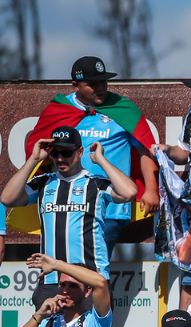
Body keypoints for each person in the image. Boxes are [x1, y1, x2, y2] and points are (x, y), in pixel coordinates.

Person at [25, 55, 158, 243]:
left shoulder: (123, 109)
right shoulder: (59, 110)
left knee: (91, 265)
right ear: (75, 84)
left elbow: (146, 150)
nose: (101, 88)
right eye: (92, 84)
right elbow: (38, 155)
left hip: (111, 208)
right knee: (69, 266)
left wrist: (151, 189)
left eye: (103, 82)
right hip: (67, 206)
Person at [1, 128, 134, 310]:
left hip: (88, 280)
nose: (61, 158)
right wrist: (34, 160)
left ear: (80, 152)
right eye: (55, 153)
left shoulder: (96, 183)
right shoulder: (43, 182)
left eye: (67, 153)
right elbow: (7, 198)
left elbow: (129, 192)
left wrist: (102, 160)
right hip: (51, 281)